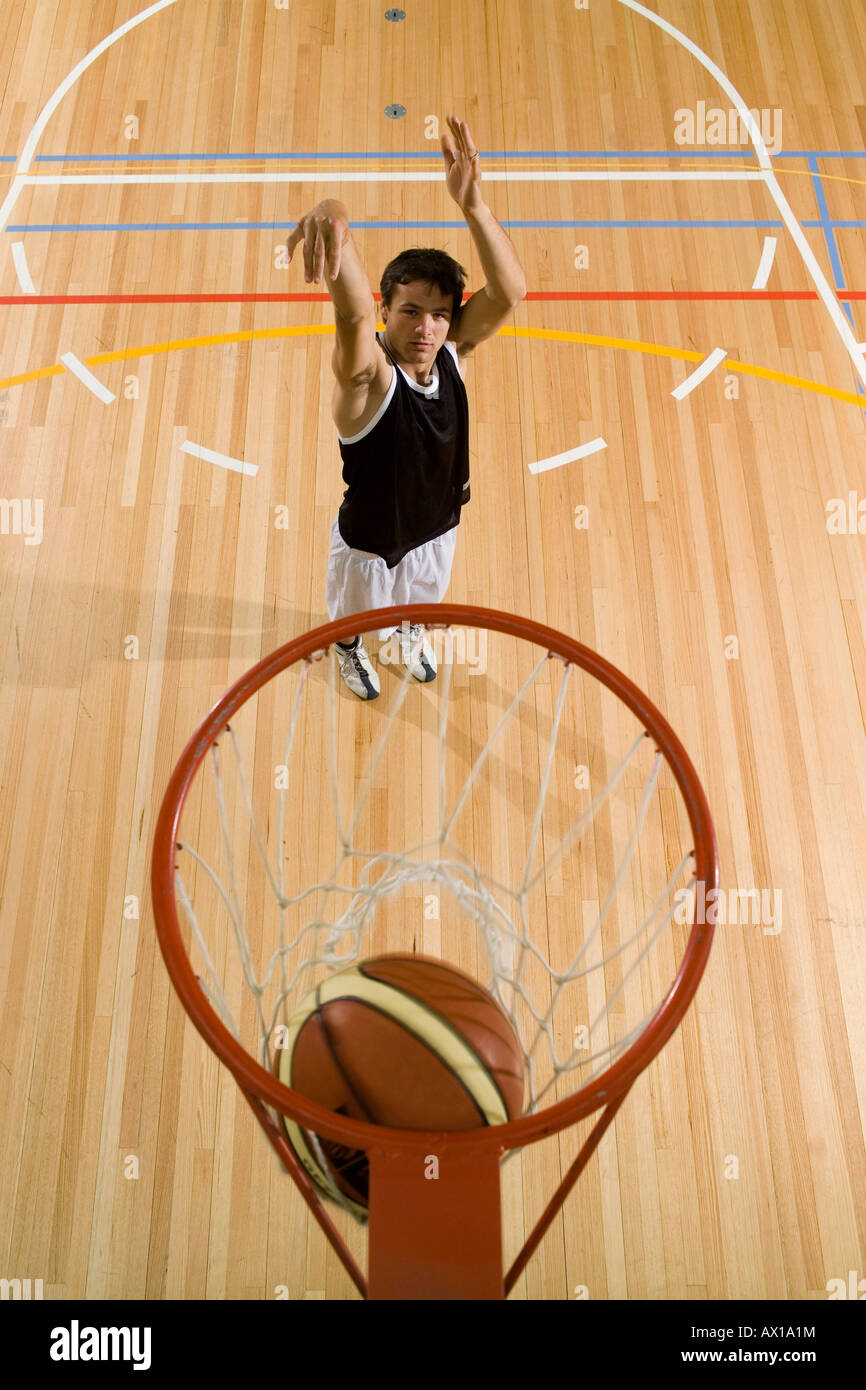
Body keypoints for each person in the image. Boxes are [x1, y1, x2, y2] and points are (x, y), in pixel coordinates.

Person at [287, 114, 526, 698]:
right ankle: (347, 651)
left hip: (435, 531)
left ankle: (407, 632)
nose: (427, 326)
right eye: (411, 310)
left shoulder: (454, 354)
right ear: (387, 310)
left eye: (440, 313)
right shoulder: (367, 378)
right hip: (370, 543)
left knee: (415, 610)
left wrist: (472, 203)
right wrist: (335, 215)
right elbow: (351, 316)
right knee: (353, 625)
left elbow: (510, 292)